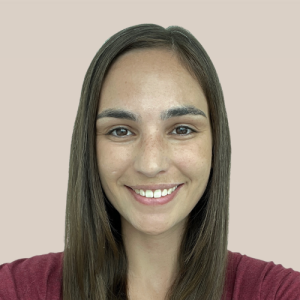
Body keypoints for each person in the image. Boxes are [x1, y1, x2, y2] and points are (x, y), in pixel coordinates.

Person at [0, 23, 299, 300]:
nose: (151, 163)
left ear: (216, 145)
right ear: (89, 147)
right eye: (120, 131)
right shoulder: (14, 290)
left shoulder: (278, 293)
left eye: (181, 129)